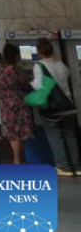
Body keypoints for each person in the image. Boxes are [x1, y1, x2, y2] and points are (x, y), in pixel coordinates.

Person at [32, 38, 81, 176]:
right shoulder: (62, 65)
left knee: (55, 136)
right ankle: (77, 167)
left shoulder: (38, 66)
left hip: (52, 109)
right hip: (68, 106)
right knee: (70, 136)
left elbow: (38, 86)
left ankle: (63, 167)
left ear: (39, 52)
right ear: (52, 50)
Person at [0, 42, 33, 165]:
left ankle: (18, 160)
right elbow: (28, 84)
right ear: (16, 56)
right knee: (19, 134)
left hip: (6, 106)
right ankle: (18, 161)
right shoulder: (17, 69)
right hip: (19, 105)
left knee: (12, 134)